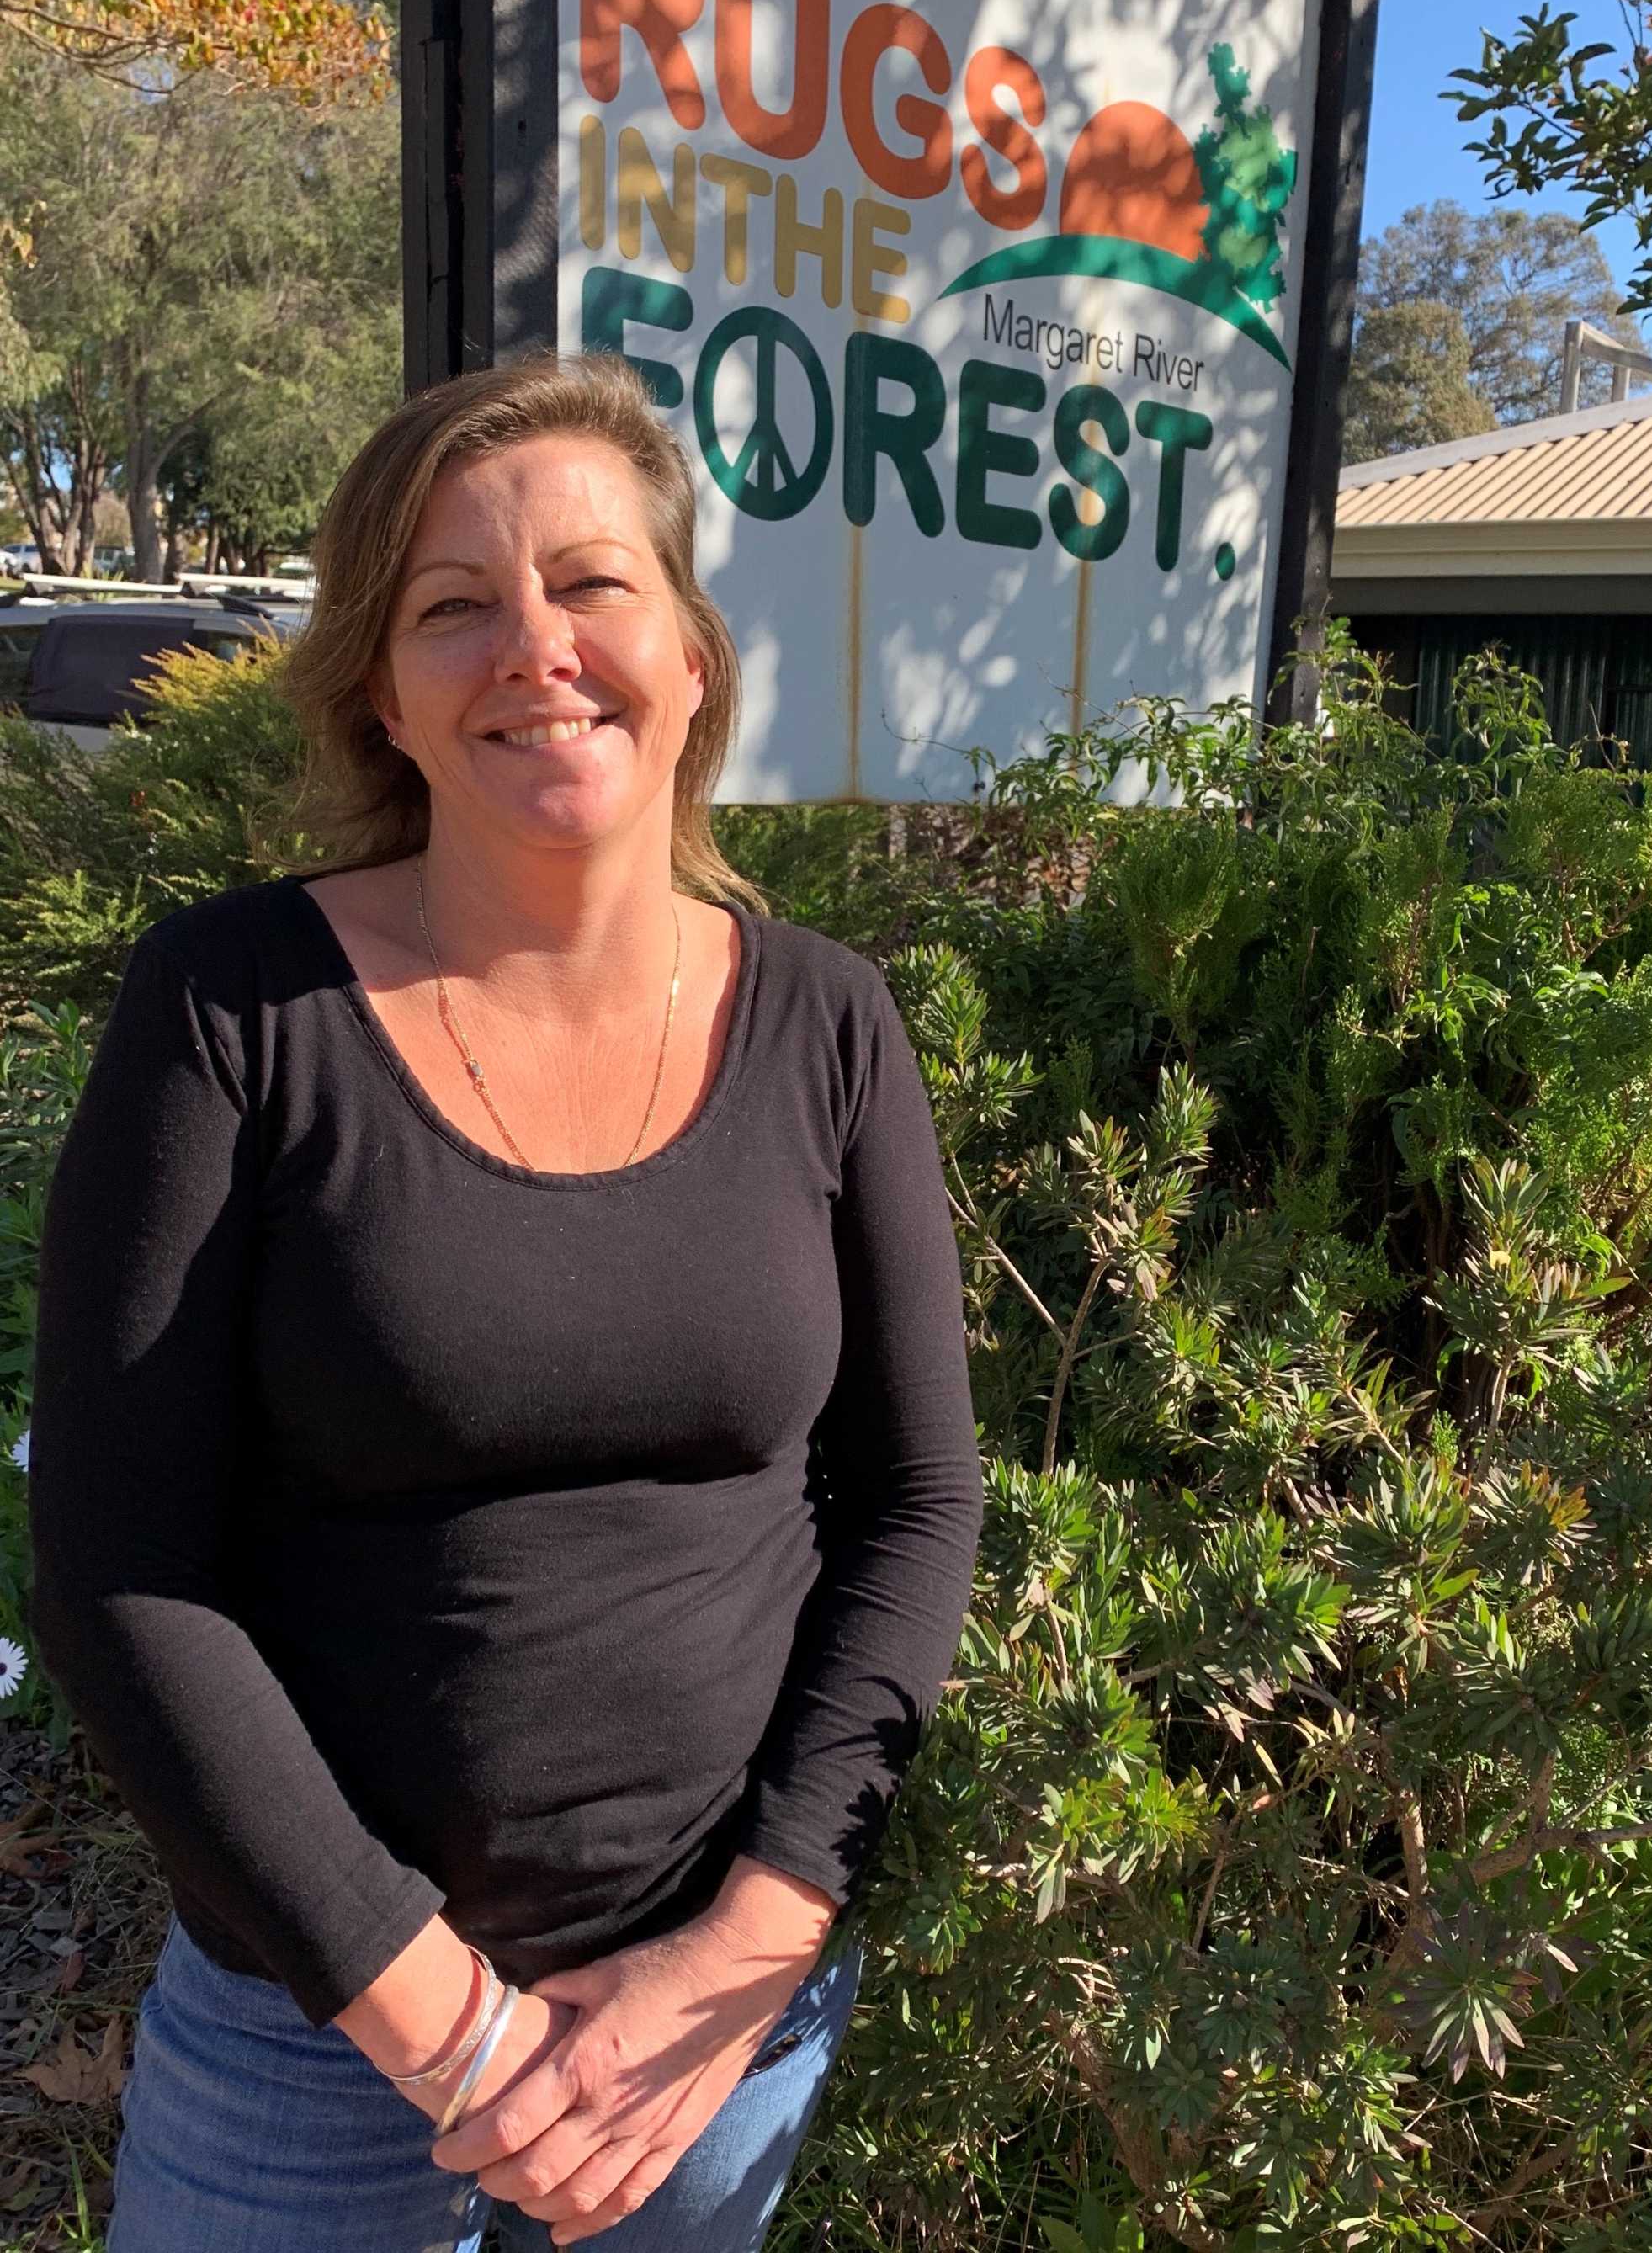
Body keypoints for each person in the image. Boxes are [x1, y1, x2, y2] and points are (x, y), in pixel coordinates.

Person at [28, 353, 983, 2253]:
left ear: (691, 654)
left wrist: (751, 1939)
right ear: (383, 694)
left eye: (590, 584)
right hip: (322, 2046)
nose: (532, 645)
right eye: (451, 608)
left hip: (714, 2038)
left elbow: (915, 1500)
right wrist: (438, 2022)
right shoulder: (235, 1013)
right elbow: (118, 1563)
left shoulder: (827, 1025)